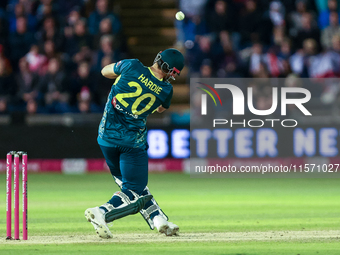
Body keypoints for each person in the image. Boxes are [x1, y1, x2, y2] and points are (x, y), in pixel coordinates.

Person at [85, 49, 185, 239]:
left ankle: (159, 220)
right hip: (132, 144)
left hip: (105, 138)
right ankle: (102, 211)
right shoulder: (166, 90)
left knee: (132, 184)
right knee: (133, 188)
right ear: (171, 72)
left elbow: (105, 71)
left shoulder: (132, 65)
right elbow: (160, 108)